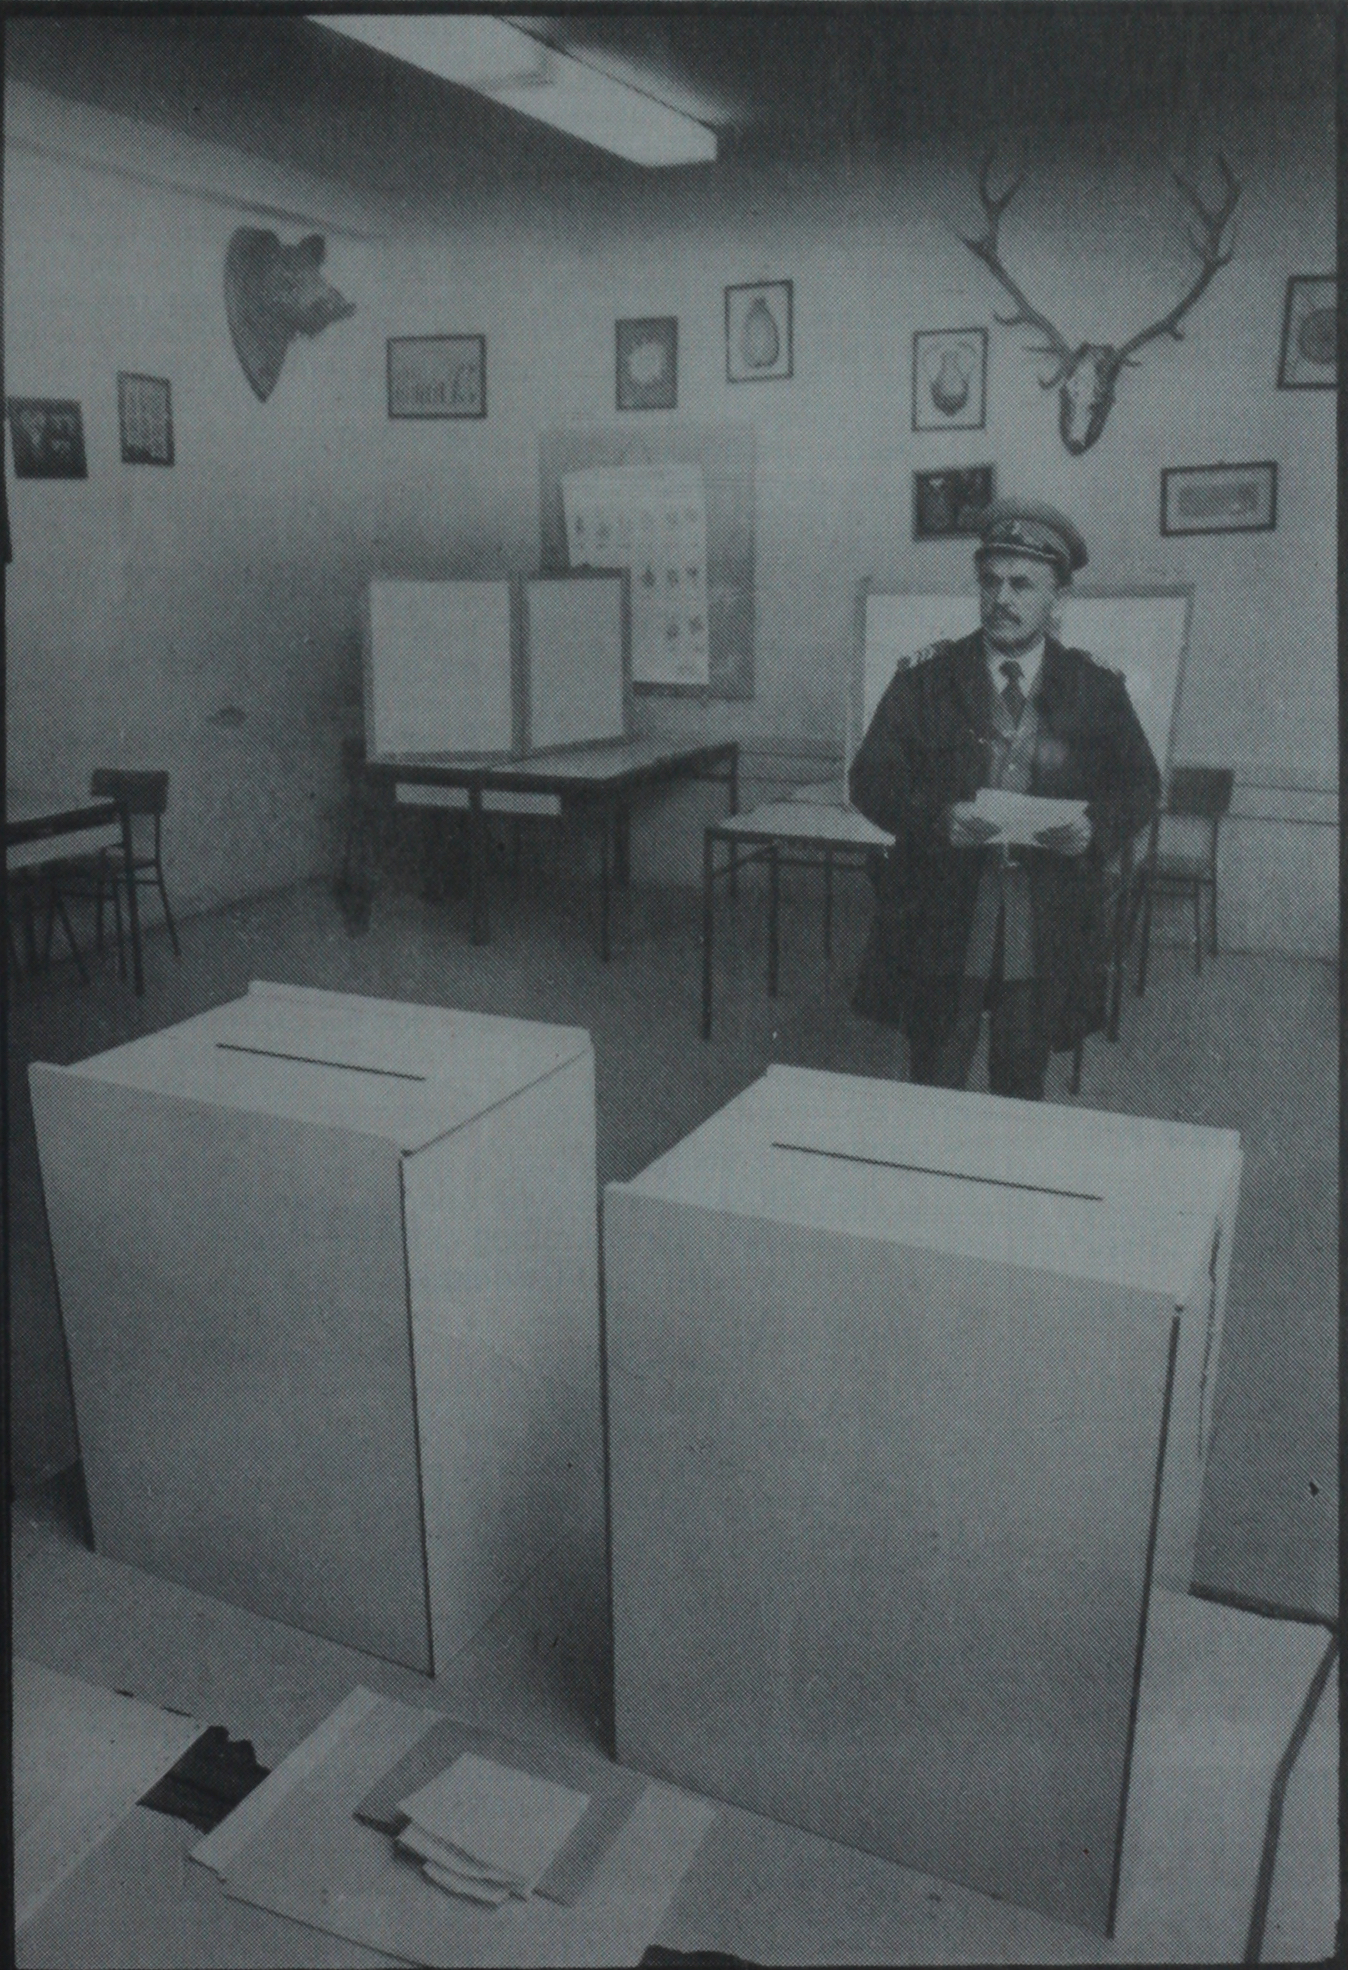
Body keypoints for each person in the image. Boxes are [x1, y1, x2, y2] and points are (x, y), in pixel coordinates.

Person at [848, 500, 1160, 1100]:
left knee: (1021, 1085)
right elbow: (870, 778)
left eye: (1022, 584)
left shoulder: (1095, 687)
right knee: (934, 1079)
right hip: (945, 915)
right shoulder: (925, 679)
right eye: (990, 582)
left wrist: (1095, 828)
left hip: (1042, 920)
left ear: (1057, 599)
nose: (1002, 599)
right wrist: (938, 818)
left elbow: (1142, 785)